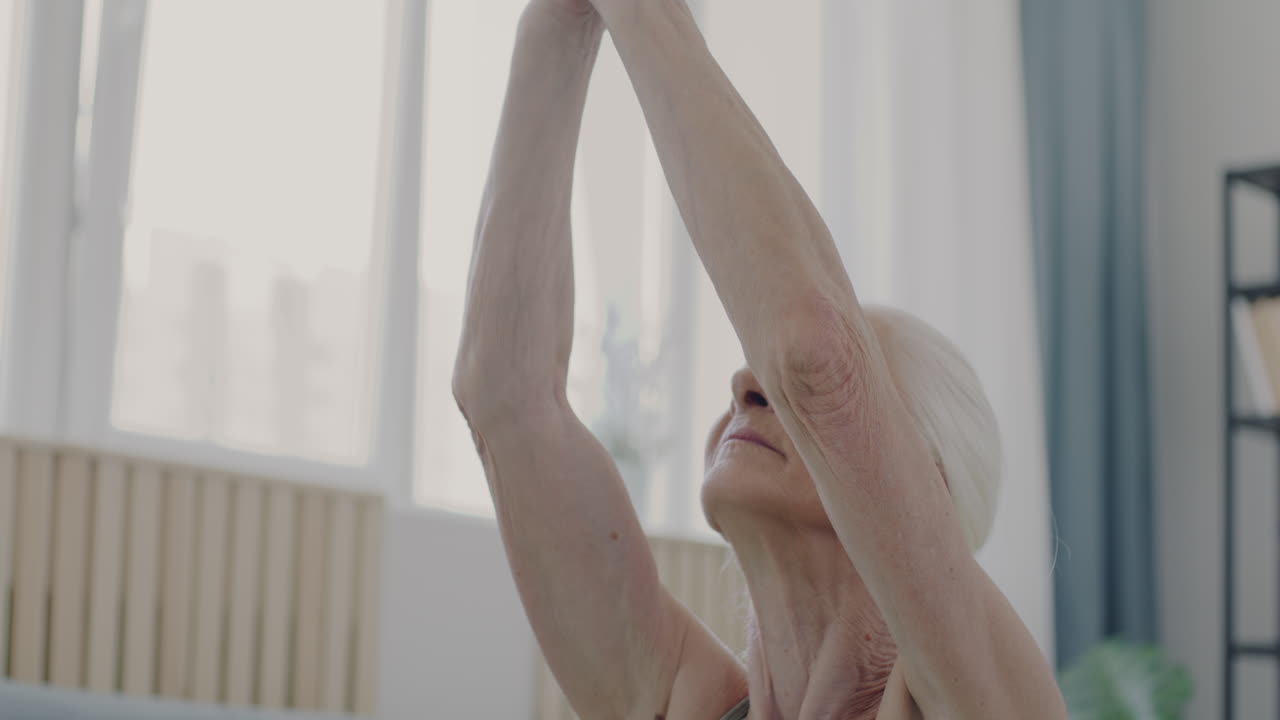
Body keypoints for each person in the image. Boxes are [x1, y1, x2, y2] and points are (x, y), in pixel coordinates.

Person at [450, 0, 1068, 717]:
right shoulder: (686, 698)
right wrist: (555, 22)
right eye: (754, 376)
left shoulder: (983, 697)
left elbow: (816, 359)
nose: (746, 380)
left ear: (926, 484)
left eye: (792, 400)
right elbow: (503, 400)